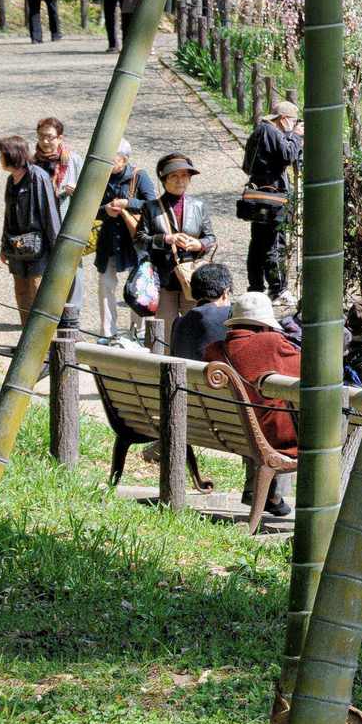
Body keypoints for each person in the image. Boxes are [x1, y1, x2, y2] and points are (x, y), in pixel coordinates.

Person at [206, 290, 297, 517]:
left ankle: (264, 492)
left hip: (230, 432)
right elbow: (313, 373)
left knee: (257, 412)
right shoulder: (271, 342)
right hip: (271, 436)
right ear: (265, 325)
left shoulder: (214, 350)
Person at [139, 151, 218, 327]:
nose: (180, 180)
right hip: (163, 277)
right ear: (164, 179)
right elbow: (140, 239)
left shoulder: (198, 206)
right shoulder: (150, 208)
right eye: (174, 176)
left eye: (184, 176)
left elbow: (210, 237)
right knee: (165, 329)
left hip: (192, 276)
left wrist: (199, 244)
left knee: (195, 327)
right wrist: (166, 239)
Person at [92, 139, 156, 338]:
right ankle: (107, 334)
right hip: (109, 241)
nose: (108, 163)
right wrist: (105, 211)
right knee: (105, 286)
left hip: (134, 242)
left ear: (124, 159)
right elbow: (89, 208)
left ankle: (138, 333)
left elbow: (152, 204)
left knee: (138, 287)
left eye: (112, 160)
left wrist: (128, 202)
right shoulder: (99, 176)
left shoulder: (139, 176)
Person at [242, 99, 302, 305]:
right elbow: (288, 154)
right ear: (284, 120)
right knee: (274, 243)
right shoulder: (272, 132)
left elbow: (246, 166)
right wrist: (295, 136)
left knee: (258, 243)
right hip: (272, 199)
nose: (294, 126)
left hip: (259, 196)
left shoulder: (259, 132)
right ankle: (278, 289)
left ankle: (256, 287)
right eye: (293, 122)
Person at [0, 134, 60, 326]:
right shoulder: (11, 180)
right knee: (21, 293)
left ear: (12, 155)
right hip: (16, 246)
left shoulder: (38, 178)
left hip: (37, 248)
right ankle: (26, 338)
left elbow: (50, 215)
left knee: (37, 292)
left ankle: (43, 343)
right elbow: (8, 216)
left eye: (2, 154)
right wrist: (3, 246)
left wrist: (58, 251)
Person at [169, 262, 234, 360]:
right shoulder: (230, 317)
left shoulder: (179, 322)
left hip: (185, 374)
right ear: (225, 292)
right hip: (214, 374)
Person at [32, 116, 86, 203]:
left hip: (66, 213)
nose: (45, 141)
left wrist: (76, 191)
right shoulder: (33, 162)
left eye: (49, 137)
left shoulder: (74, 160)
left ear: (60, 138)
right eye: (41, 136)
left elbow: (87, 189)